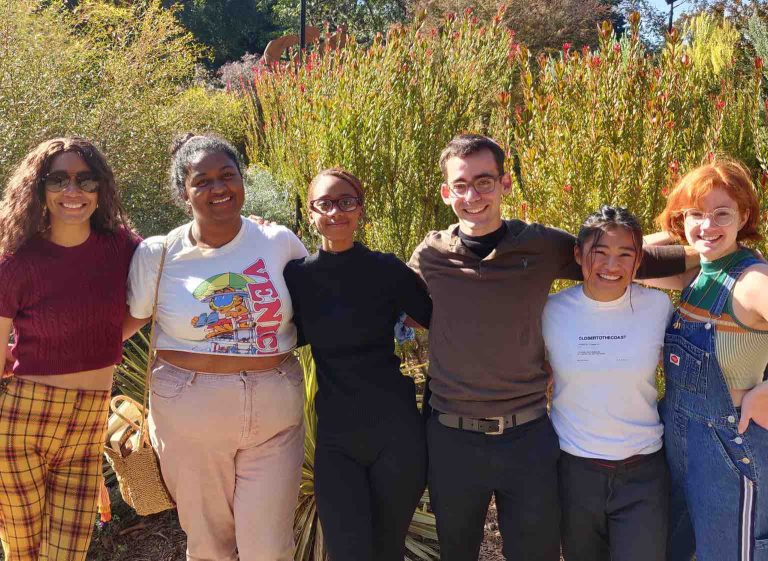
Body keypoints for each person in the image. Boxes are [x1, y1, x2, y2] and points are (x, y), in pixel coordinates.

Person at [408, 133, 695, 561]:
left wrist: (714, 255)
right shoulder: (432, 254)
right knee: (457, 552)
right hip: (452, 437)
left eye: (484, 182)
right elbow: (401, 303)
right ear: (447, 192)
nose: (473, 196)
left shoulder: (540, 245)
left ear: (504, 184)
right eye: (461, 185)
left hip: (527, 438)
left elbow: (611, 256)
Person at [123, 134, 308, 561]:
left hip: (274, 407)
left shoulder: (278, 241)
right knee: (209, 546)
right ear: (183, 193)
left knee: (269, 548)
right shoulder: (159, 254)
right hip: (189, 411)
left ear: (242, 180)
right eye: (202, 181)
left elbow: (320, 301)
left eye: (227, 175)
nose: (218, 188)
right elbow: (125, 327)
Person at [0, 137, 139, 561]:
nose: (72, 191)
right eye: (58, 179)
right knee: (23, 550)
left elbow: (161, 285)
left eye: (85, 180)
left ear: (101, 188)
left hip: (89, 420)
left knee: (66, 553)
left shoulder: (122, 248)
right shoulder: (17, 261)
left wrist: (245, 230)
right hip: (23, 418)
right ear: (39, 188)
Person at [283, 168, 432, 561]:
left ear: (360, 209)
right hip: (336, 438)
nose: (336, 211)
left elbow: (438, 317)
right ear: (311, 213)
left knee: (388, 550)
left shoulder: (387, 269)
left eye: (346, 202)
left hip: (396, 433)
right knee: (347, 551)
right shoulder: (297, 277)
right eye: (325, 203)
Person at [648, 158, 768, 560]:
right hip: (678, 437)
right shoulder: (698, 274)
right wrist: (688, 235)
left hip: (728, 446)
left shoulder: (752, 282)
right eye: (696, 213)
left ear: (744, 216)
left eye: (722, 214)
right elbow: (630, 257)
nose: (708, 224)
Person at [543, 206, 672, 561]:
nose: (611, 266)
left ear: (639, 260)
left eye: (625, 254)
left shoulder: (658, 307)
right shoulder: (550, 311)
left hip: (643, 473)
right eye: (599, 252)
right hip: (575, 472)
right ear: (578, 254)